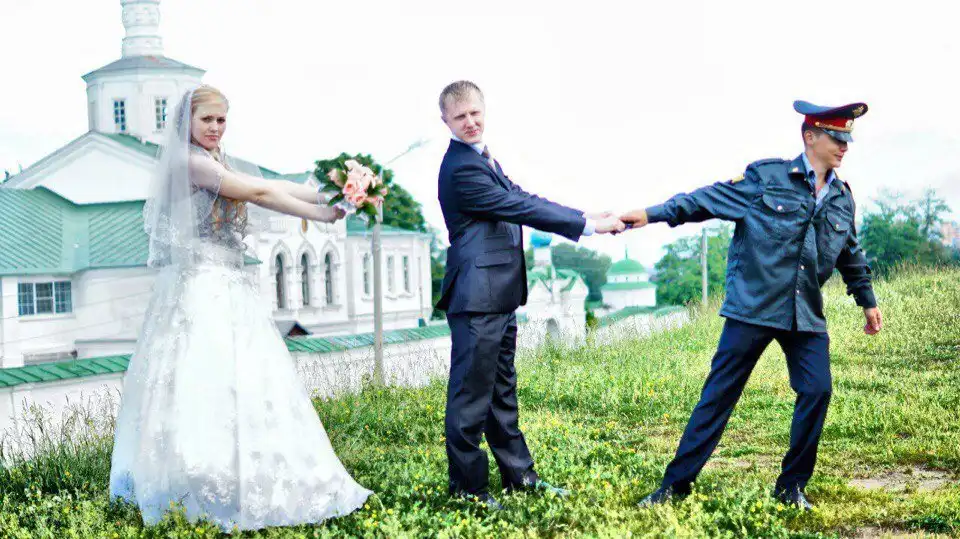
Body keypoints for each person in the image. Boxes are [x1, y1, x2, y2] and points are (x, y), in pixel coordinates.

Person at [109, 85, 371, 531]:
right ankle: (198, 481)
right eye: (207, 119)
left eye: (221, 120)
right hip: (201, 287)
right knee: (203, 381)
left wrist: (330, 194)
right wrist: (325, 214)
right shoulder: (188, 162)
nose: (215, 127)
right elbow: (257, 193)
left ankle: (241, 475)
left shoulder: (214, 159)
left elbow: (273, 185)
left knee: (245, 380)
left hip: (227, 283)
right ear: (187, 122)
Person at [621, 100, 884, 510]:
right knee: (718, 397)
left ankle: (791, 487)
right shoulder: (766, 178)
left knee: (817, 390)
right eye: (836, 138)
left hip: (805, 313)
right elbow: (704, 200)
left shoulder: (841, 197)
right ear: (810, 136)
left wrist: (867, 301)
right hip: (754, 307)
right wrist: (651, 214)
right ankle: (674, 487)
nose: (844, 146)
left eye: (847, 139)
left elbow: (850, 253)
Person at [435, 80, 625, 510]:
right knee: (470, 398)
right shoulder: (461, 168)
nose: (470, 122)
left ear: (484, 110)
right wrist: (587, 228)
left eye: (475, 113)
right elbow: (519, 208)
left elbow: (521, 197)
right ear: (445, 120)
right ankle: (468, 490)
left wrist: (582, 215)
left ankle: (520, 478)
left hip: (498, 295)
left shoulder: (483, 158)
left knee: (501, 394)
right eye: (460, 116)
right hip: (476, 297)